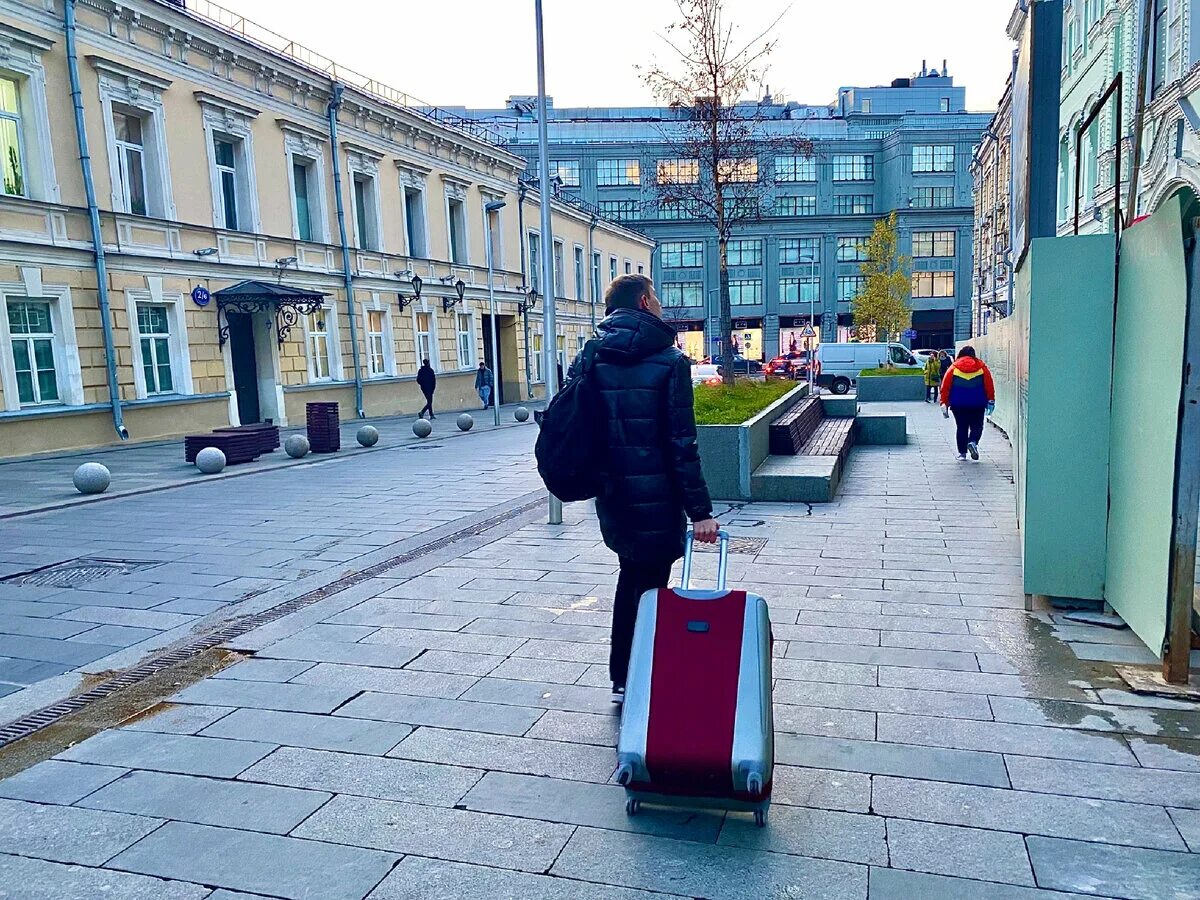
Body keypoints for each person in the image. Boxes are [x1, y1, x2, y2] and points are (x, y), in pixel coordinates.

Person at [565, 273, 719, 704]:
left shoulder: (592, 354)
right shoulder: (669, 362)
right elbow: (680, 444)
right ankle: (642, 674)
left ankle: (623, 674)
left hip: (613, 494)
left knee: (631, 575)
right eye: (658, 300)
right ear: (646, 301)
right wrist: (700, 511)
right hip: (658, 497)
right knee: (651, 585)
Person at [940, 345, 995, 461]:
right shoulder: (982, 367)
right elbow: (989, 384)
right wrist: (991, 400)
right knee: (977, 426)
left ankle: (962, 454)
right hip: (978, 403)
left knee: (961, 427)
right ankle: (973, 441)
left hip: (958, 404)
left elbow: (945, 386)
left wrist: (943, 402)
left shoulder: (953, 368)